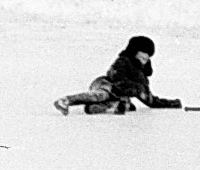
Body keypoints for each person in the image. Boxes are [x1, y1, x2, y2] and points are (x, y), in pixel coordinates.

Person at [54, 35, 182, 115]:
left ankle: (94, 109)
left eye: (148, 55)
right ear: (134, 51)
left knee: (126, 106)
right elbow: (117, 79)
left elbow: (150, 100)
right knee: (102, 95)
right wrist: (136, 88)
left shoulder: (141, 77)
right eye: (143, 53)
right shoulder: (123, 62)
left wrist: (173, 103)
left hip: (119, 94)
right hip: (106, 84)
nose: (146, 57)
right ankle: (65, 101)